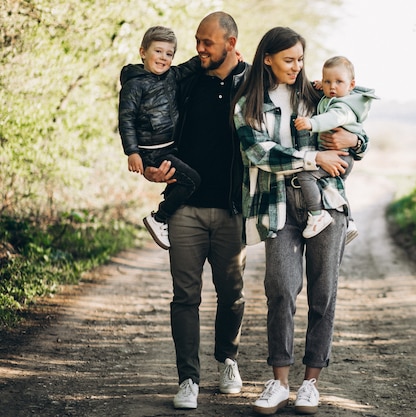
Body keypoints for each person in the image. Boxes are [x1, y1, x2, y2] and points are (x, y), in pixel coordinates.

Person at [233, 27, 368, 415]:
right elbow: (259, 153)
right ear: (267, 59)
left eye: (300, 59)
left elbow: (355, 128)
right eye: (289, 59)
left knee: (323, 293)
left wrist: (353, 143)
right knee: (280, 288)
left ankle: (311, 383)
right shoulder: (248, 106)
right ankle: (278, 383)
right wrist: (312, 159)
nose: (297, 66)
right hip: (278, 206)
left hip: (326, 205)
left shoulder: (316, 94)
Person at [143, 12, 248, 410]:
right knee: (185, 297)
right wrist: (150, 163)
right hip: (184, 208)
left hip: (232, 209)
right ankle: (188, 378)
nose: (199, 49)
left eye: (208, 43)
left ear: (231, 43)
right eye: (198, 41)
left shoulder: (254, 82)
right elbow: (149, 113)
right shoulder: (185, 81)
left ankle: (228, 361)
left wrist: (350, 141)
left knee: (232, 294)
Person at [118, 26, 201, 250]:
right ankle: (160, 218)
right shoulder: (134, 85)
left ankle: (171, 220)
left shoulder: (172, 76)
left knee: (186, 177)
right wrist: (133, 153)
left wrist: (225, 54)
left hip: (170, 147)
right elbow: (126, 120)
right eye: (158, 51)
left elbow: (193, 65)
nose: (164, 58)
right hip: (151, 151)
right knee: (193, 180)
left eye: (169, 54)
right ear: (143, 52)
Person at [294, 56, 378, 241]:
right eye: (327, 81)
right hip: (339, 156)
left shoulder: (344, 106)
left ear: (351, 84)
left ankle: (317, 215)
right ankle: (349, 221)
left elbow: (332, 119)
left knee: (306, 175)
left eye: (338, 82)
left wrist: (311, 123)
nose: (332, 86)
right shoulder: (333, 97)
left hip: (342, 156)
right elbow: (327, 98)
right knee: (332, 188)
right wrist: (319, 86)